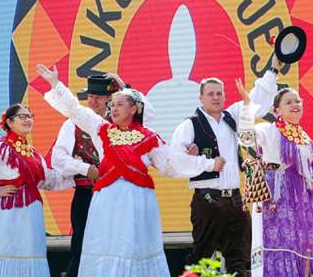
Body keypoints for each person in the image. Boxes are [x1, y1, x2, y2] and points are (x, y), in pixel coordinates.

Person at [38, 63, 208, 277]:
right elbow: (75, 109)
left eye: (119, 104)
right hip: (107, 199)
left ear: (134, 109)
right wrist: (55, 83)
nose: (114, 109)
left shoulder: (150, 136)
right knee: (105, 246)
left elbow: (167, 168)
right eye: (112, 105)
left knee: (135, 246)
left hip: (138, 199)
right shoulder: (101, 129)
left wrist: (190, 159)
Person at [169, 55, 282, 277]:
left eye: (220, 93)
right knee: (201, 260)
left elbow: (255, 100)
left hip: (236, 200)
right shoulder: (190, 124)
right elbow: (176, 157)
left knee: (239, 260)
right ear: (201, 98)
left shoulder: (231, 117)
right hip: (208, 199)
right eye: (211, 94)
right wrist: (209, 164)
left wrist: (274, 69)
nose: (216, 97)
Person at [50, 74, 156, 277]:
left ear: (111, 99)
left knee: (117, 246)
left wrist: (124, 85)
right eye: (90, 96)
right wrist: (86, 169)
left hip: (117, 194)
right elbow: (58, 158)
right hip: (87, 194)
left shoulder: (123, 123)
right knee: (83, 247)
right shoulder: (74, 123)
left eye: (98, 97)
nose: (92, 101)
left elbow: (149, 113)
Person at [0, 103, 75, 277]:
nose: (28, 120)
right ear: (9, 122)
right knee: (2, 249)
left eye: (30, 116)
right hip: (5, 211)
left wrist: (76, 173)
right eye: (22, 117)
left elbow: (47, 180)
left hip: (29, 212)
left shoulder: (32, 153)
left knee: (28, 251)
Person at [237, 82, 313, 276]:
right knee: (281, 242)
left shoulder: (305, 138)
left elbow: (312, 171)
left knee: (303, 243)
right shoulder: (269, 129)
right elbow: (246, 139)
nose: (294, 104)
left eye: (297, 100)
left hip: (301, 196)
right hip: (277, 192)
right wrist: (247, 106)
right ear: (277, 110)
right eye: (288, 102)